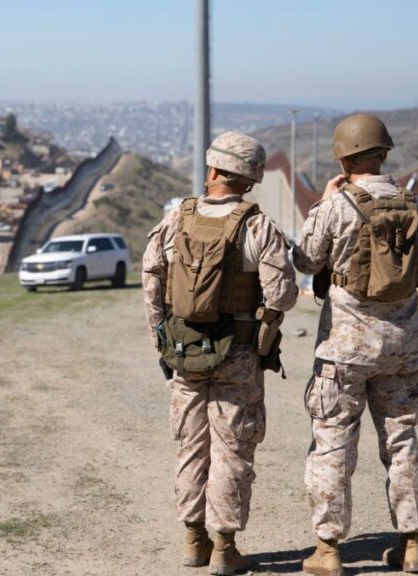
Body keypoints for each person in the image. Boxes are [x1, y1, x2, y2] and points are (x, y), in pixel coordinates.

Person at [142, 131, 297, 575]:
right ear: (250, 179)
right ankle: (225, 548)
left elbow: (152, 280)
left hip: (183, 351)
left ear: (212, 169)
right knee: (232, 449)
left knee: (191, 446)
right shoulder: (258, 227)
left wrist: (160, 339)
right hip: (238, 353)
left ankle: (194, 540)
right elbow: (283, 294)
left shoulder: (175, 220)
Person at [293, 114, 418, 575]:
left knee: (333, 444)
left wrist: (323, 202)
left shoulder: (337, 205)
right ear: (383, 153)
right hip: (405, 344)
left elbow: (305, 259)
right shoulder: (413, 203)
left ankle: (328, 549)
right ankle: (412, 544)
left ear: (344, 159)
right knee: (402, 440)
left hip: (346, 347)